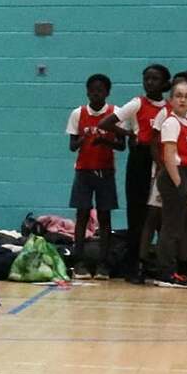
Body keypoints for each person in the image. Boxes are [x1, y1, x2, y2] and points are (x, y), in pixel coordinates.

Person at [99, 64, 171, 282]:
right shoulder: (137, 103)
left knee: (157, 213)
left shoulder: (169, 107)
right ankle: (133, 266)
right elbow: (106, 122)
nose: (150, 82)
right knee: (137, 212)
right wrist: (130, 134)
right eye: (146, 78)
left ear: (165, 82)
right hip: (140, 159)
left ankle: (156, 261)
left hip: (161, 158)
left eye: (155, 79)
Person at [151, 78, 187, 288]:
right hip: (175, 175)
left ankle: (170, 269)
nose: (182, 100)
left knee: (176, 227)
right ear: (171, 100)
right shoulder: (171, 123)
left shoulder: (186, 123)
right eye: (178, 96)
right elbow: (168, 156)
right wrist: (178, 183)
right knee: (170, 227)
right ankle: (164, 272)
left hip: (184, 174)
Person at [64, 73, 121, 274]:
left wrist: (104, 141)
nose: (96, 94)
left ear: (107, 93)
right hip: (83, 172)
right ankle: (79, 261)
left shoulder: (115, 113)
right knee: (82, 215)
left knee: (105, 217)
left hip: (105, 172)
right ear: (87, 92)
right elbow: (72, 146)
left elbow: (121, 145)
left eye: (100, 90)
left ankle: (103, 263)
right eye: (93, 90)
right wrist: (84, 138)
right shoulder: (78, 114)